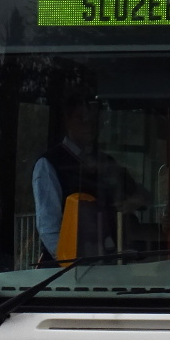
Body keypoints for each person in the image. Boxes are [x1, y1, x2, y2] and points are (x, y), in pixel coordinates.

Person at [32, 97, 144, 262]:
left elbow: (141, 194)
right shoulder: (49, 164)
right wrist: (67, 262)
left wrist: (135, 200)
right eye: (81, 118)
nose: (89, 124)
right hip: (71, 270)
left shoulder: (107, 162)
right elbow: (49, 227)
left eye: (93, 119)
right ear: (67, 121)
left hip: (110, 262)